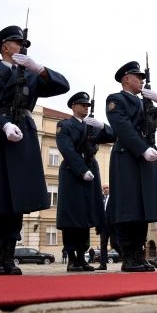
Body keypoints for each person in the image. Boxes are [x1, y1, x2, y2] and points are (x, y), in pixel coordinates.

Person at [0, 25, 70, 275]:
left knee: (16, 199)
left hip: (22, 135)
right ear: (5, 46)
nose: (23, 47)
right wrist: (2, 125)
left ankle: (8, 257)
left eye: (25, 44)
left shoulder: (30, 75)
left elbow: (63, 85)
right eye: (18, 42)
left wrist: (39, 68)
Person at [106, 61, 157, 272]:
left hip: (146, 158)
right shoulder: (116, 99)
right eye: (138, 77)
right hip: (127, 156)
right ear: (126, 78)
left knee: (143, 207)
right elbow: (122, 126)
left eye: (143, 78)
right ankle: (128, 256)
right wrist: (141, 148)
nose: (142, 81)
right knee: (128, 207)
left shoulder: (146, 104)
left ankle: (139, 254)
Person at [56, 91, 116, 272]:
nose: (85, 107)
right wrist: (82, 170)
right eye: (82, 105)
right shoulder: (64, 125)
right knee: (72, 216)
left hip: (91, 170)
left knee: (86, 215)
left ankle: (82, 257)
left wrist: (102, 126)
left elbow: (113, 135)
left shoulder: (92, 126)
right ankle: (72, 258)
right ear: (73, 106)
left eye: (87, 105)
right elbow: (66, 149)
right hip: (73, 172)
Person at [96, 184, 116, 270]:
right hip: (103, 226)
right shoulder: (100, 199)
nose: (106, 189)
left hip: (112, 225)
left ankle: (125, 258)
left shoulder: (113, 198)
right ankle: (103, 265)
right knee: (103, 246)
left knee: (114, 244)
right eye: (104, 188)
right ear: (102, 190)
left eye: (107, 188)